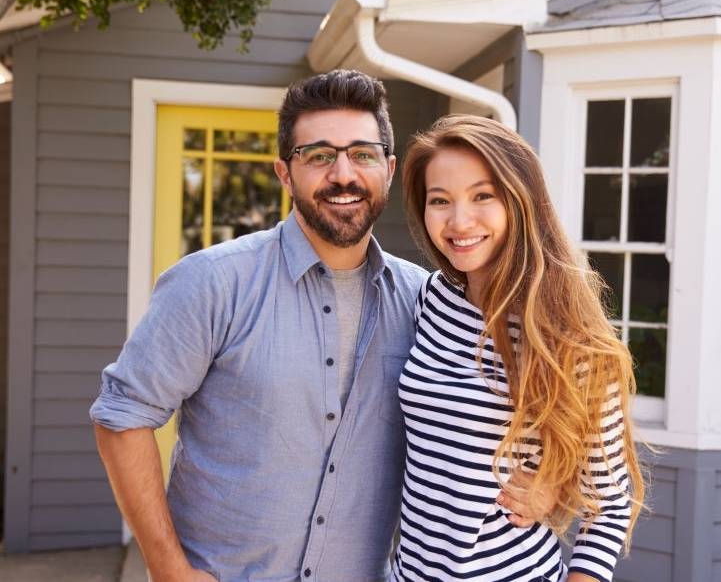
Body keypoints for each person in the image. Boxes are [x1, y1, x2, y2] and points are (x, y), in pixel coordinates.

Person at [88, 71, 538, 582]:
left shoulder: (427, 302)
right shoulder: (212, 283)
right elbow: (122, 417)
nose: (343, 174)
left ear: (387, 170)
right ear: (285, 173)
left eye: (362, 154)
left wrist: (549, 485)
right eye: (319, 155)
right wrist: (168, 568)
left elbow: (492, 423)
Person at [394, 115, 646, 582]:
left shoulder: (568, 337)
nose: (458, 221)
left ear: (520, 200)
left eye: (482, 196)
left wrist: (560, 483)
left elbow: (608, 504)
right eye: (439, 201)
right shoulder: (430, 299)